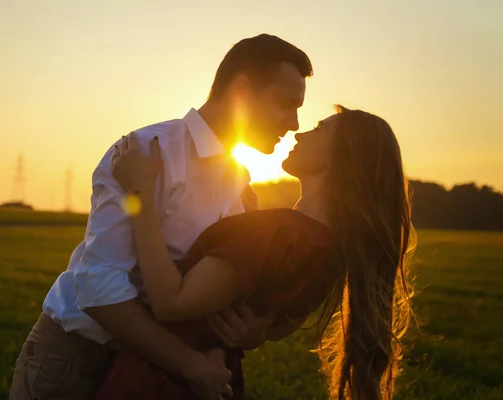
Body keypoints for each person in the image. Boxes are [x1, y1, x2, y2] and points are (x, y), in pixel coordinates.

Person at [9, 33, 313, 400]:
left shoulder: (242, 187)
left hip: (153, 374)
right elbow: (97, 287)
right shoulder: (146, 154)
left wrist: (252, 331)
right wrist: (189, 364)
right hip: (79, 360)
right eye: (285, 104)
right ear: (243, 91)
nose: (294, 123)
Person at [97, 105, 415, 400]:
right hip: (214, 380)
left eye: (319, 128)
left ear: (343, 156)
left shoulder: (278, 233)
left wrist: (140, 191)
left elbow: (170, 302)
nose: (300, 132)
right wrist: (259, 333)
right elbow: (277, 320)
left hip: (157, 382)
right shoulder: (327, 249)